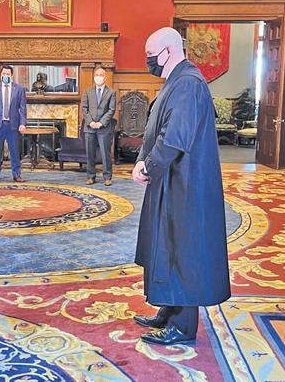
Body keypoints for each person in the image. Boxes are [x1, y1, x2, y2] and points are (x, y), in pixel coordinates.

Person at [131, 27, 230, 345]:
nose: (148, 62)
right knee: (166, 246)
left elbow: (174, 138)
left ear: (169, 51)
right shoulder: (176, 80)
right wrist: (142, 159)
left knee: (182, 250)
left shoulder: (188, 84)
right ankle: (168, 311)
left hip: (185, 185)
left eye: (150, 56)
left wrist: (149, 166)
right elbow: (154, 127)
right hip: (169, 180)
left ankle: (183, 326)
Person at [0, 65, 27, 182]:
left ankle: (16, 174)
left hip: (13, 125)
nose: (6, 76)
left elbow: (23, 108)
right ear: (0, 75)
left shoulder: (19, 89)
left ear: (11, 76)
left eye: (8, 74)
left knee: (14, 151)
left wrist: (23, 123)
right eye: (4, 74)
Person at [82, 66, 116, 186]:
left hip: (104, 128)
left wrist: (101, 123)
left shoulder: (111, 92)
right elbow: (84, 108)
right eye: (96, 75)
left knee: (105, 153)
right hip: (89, 127)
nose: (98, 77)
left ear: (105, 78)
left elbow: (111, 110)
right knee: (90, 153)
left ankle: (107, 177)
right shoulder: (88, 91)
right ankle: (91, 176)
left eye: (100, 75)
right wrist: (91, 122)